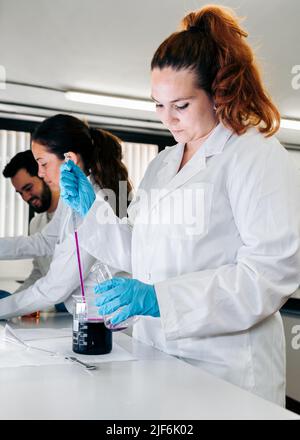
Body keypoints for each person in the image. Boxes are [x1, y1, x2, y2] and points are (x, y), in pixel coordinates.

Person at [60, 5, 300, 406]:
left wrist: (160, 298)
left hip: (229, 372)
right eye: (157, 104)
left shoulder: (254, 154)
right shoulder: (164, 163)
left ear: (219, 92)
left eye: (181, 105)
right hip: (158, 355)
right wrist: (92, 209)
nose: (167, 120)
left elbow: (271, 272)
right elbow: (139, 252)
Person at [0, 113, 132, 318]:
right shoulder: (71, 198)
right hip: (88, 318)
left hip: (108, 324)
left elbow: (55, 286)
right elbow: (45, 241)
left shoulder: (94, 200)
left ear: (70, 158)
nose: (41, 173)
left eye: (43, 164)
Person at [0, 150, 59, 305]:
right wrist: (13, 301)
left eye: (28, 188)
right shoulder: (35, 224)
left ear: (45, 176)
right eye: (20, 193)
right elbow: (40, 272)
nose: (26, 197)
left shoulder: (72, 213)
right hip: (62, 309)